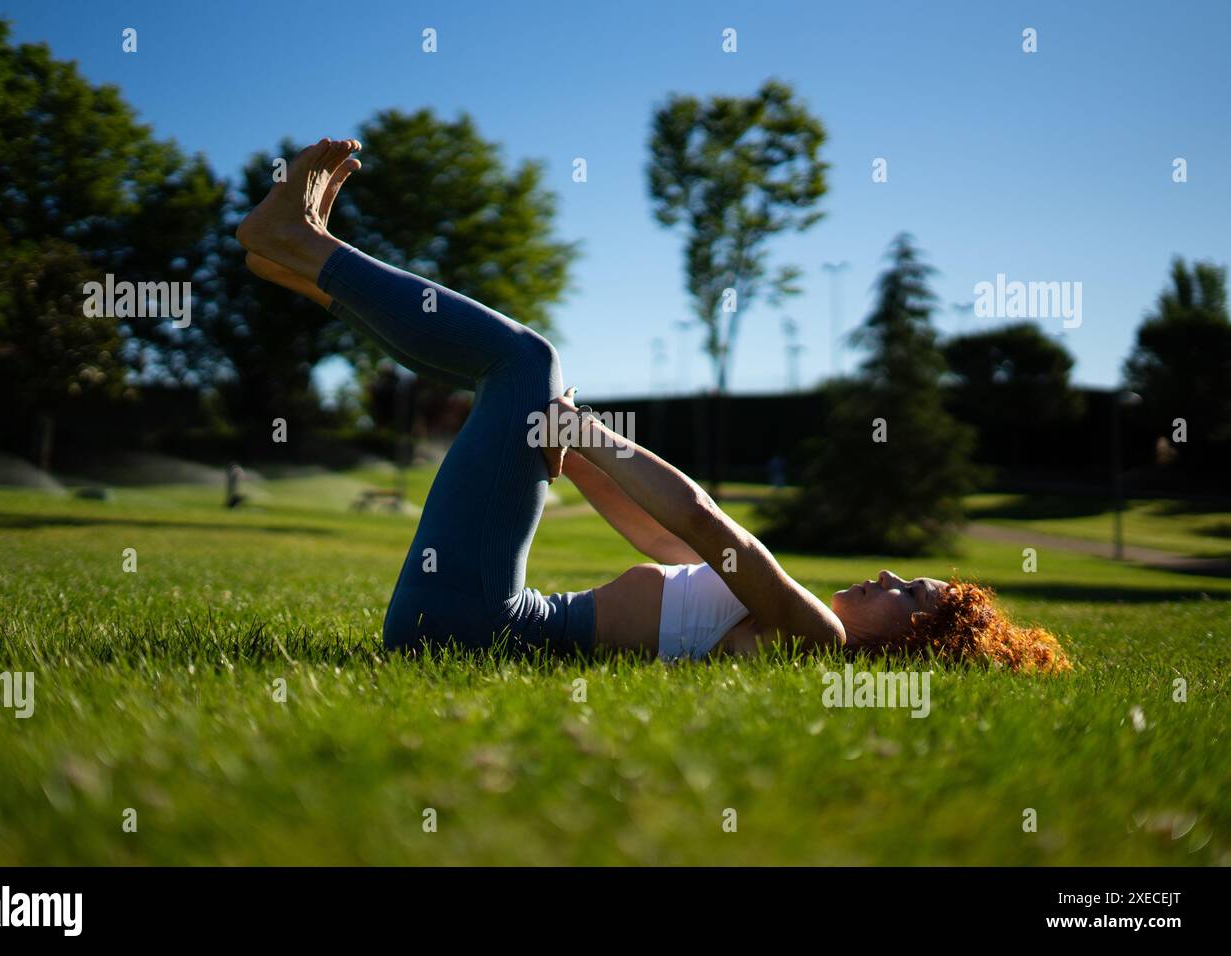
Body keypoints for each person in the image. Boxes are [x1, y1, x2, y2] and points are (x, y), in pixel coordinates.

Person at [237, 139, 1071, 674]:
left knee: (527, 359)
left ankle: (307, 252)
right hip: (466, 617)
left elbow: (712, 522)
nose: (889, 575)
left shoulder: (819, 638)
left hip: (465, 625)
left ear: (913, 642)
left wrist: (588, 431)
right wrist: (582, 457)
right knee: (527, 373)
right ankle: (299, 262)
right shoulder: (780, 622)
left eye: (910, 593)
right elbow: (666, 538)